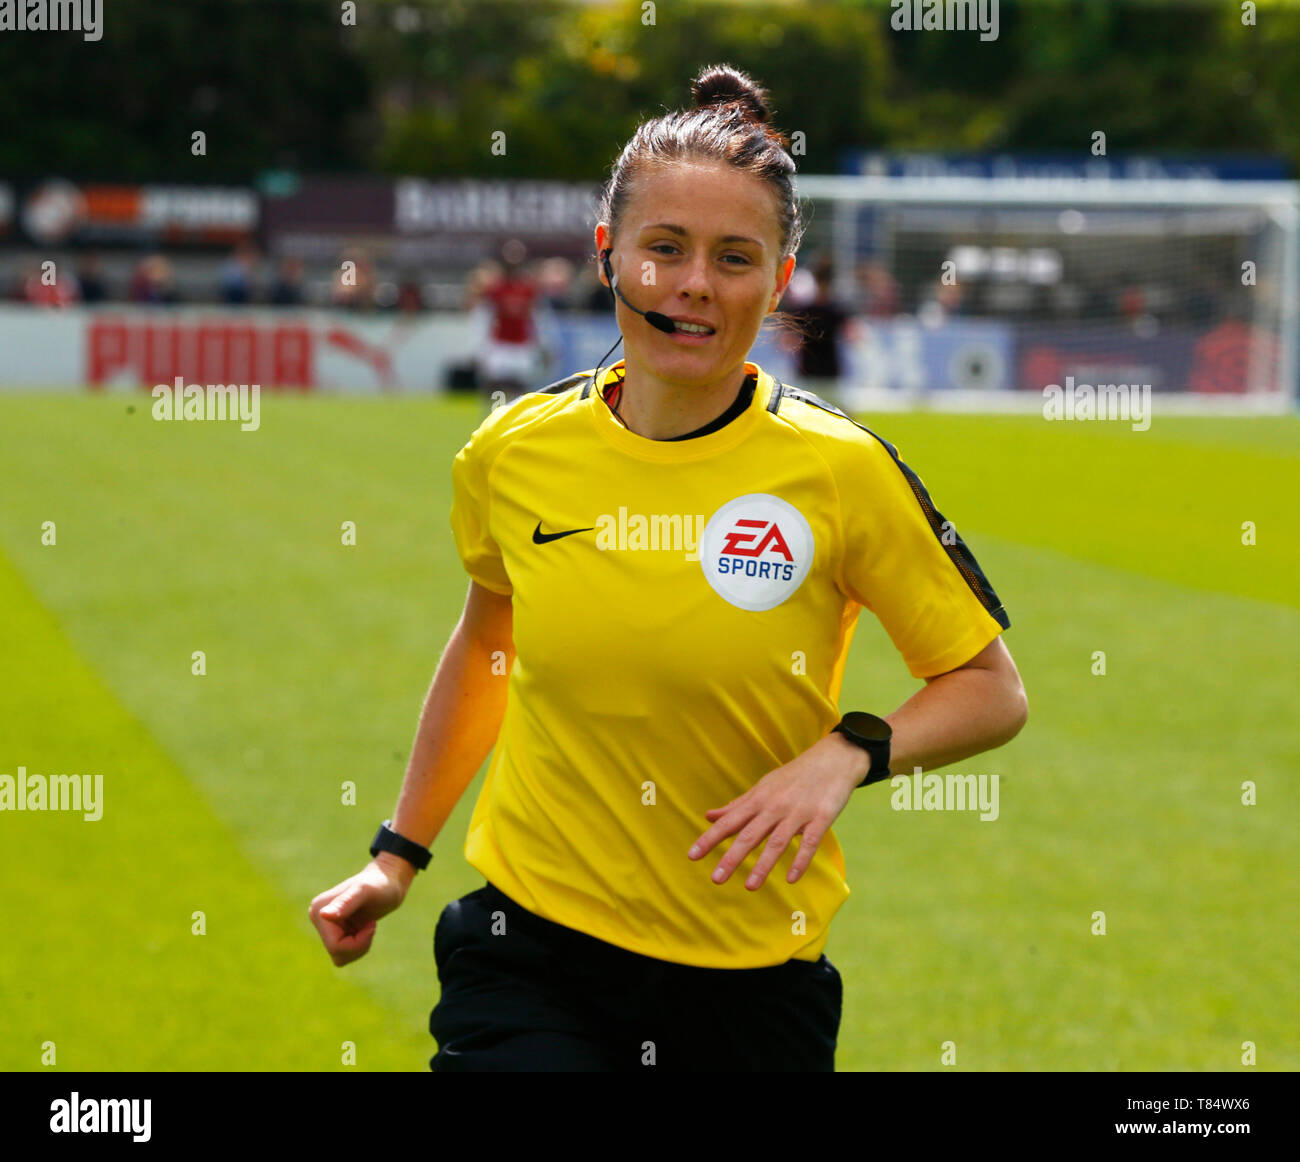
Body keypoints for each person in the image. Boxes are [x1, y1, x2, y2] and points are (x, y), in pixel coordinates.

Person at [308, 63, 1028, 1073]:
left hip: (747, 979)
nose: (694, 284)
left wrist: (848, 752)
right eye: (665, 249)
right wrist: (397, 857)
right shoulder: (511, 451)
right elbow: (489, 645)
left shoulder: (840, 471)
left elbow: (989, 690)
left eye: (735, 258)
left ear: (779, 282)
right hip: (529, 946)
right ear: (608, 257)